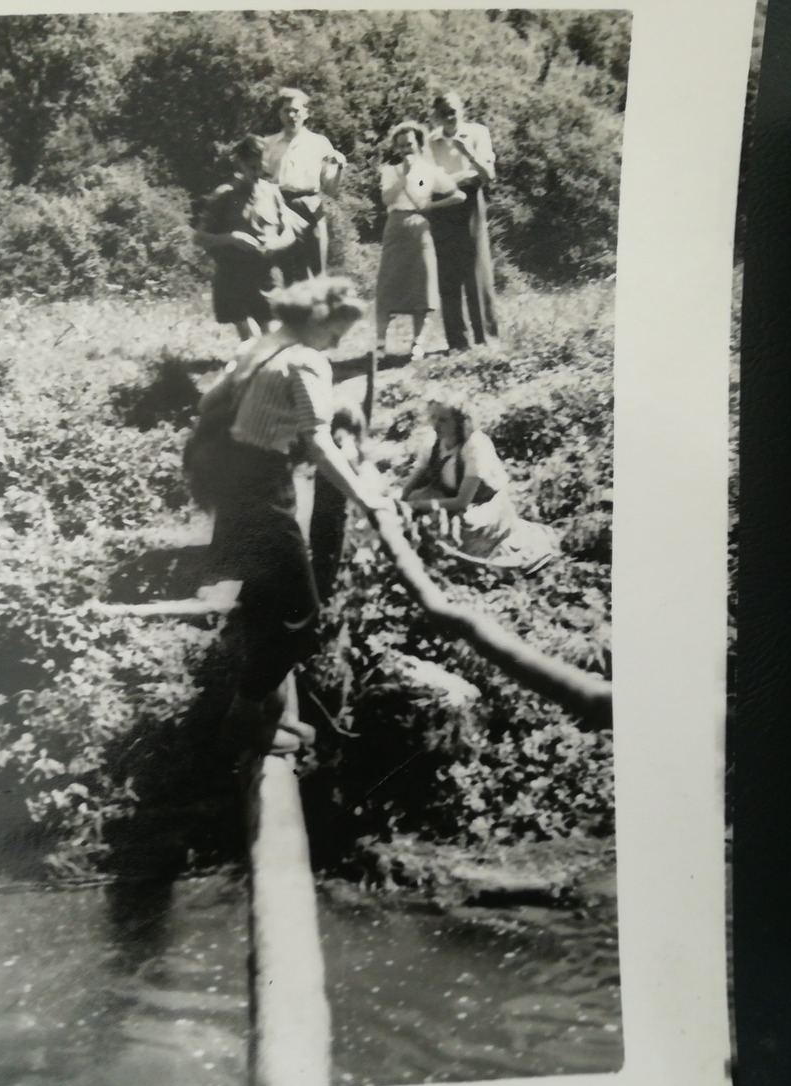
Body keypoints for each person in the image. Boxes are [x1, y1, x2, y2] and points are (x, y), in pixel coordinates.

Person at [201, 276, 392, 756]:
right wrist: (367, 500)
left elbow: (207, 403)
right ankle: (242, 721)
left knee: (267, 605)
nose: (340, 342)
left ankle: (266, 719)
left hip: (233, 480)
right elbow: (321, 445)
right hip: (263, 487)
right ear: (318, 320)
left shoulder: (258, 345)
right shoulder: (307, 360)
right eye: (338, 332)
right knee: (303, 619)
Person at [399, 397, 558, 571]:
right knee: (408, 511)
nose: (436, 425)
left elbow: (462, 501)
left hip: (482, 503)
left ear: (459, 422)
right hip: (446, 495)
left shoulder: (475, 446)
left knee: (466, 527)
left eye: (443, 420)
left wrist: (416, 505)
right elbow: (413, 481)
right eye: (433, 418)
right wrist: (402, 502)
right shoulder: (432, 441)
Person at [193, 135, 302, 340]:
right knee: (252, 340)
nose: (258, 173)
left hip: (266, 275)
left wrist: (276, 243)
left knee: (274, 338)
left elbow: (289, 234)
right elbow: (199, 238)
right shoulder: (224, 195)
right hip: (233, 277)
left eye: (262, 167)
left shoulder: (272, 193)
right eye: (252, 167)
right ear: (240, 164)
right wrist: (231, 238)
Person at [374, 121, 464, 362]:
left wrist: (431, 205)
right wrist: (404, 176)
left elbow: (458, 195)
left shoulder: (429, 171)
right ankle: (380, 345)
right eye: (401, 146)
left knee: (422, 290)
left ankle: (418, 345)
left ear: (419, 145)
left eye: (410, 145)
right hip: (395, 228)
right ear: (396, 148)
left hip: (419, 227)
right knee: (387, 287)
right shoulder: (389, 170)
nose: (405, 150)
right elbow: (387, 198)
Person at [426, 91, 499, 351]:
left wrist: (468, 154)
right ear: (435, 114)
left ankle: (486, 338)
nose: (449, 114)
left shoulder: (478, 133)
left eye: (453, 108)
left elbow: (488, 175)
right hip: (442, 205)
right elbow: (427, 180)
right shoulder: (430, 141)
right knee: (448, 272)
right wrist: (461, 176)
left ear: (462, 109)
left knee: (476, 269)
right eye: (443, 110)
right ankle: (457, 342)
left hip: (469, 203)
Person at [261, 88, 346, 285]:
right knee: (285, 271)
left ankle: (318, 314)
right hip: (279, 207)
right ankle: (290, 314)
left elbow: (330, 189)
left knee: (316, 270)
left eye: (296, 110)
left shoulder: (319, 143)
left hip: (310, 207)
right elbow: (260, 181)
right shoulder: (269, 144)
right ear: (279, 114)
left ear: (306, 113)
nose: (292, 115)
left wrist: (340, 167)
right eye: (286, 111)